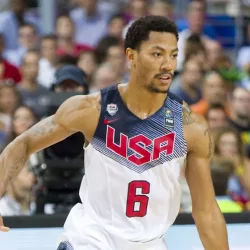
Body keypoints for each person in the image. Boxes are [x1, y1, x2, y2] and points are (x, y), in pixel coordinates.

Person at [0, 16, 229, 250]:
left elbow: (206, 211)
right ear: (131, 56)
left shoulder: (190, 126)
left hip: (149, 243)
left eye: (173, 55)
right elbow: (24, 143)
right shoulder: (92, 109)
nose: (168, 65)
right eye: (157, 54)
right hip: (92, 238)